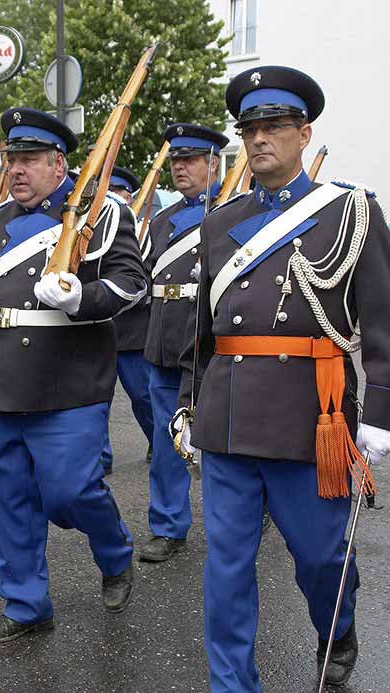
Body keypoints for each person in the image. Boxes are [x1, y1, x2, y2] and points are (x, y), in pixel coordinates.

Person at [173, 66, 390, 690]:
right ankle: (232, 684)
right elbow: (204, 327)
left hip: (313, 417)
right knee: (225, 568)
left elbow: (387, 316)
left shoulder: (348, 212)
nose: (258, 140)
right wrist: (188, 404)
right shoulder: (220, 222)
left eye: (274, 126)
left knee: (320, 558)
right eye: (249, 129)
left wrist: (385, 407)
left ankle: (338, 626)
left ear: (304, 133)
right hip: (226, 415)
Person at [0, 108, 147, 642]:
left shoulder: (101, 212)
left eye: (29, 160)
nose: (18, 170)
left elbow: (131, 282)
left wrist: (80, 298)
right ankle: (26, 605)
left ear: (58, 164)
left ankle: (114, 551)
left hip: (68, 383)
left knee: (71, 492)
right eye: (13, 159)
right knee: (9, 502)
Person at [136, 124, 230, 562]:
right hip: (163, 339)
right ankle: (169, 524)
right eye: (175, 161)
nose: (180, 168)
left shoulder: (233, 214)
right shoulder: (161, 221)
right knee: (166, 438)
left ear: (213, 164)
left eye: (189, 160)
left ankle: (238, 518)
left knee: (223, 438)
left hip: (210, 341)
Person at [98, 165, 155, 475]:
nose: (110, 196)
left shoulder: (142, 229)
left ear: (129, 197)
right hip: (100, 328)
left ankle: (158, 441)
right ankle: (99, 457)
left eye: (116, 191)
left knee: (143, 396)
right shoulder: (92, 229)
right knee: (97, 402)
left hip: (133, 331)